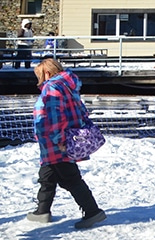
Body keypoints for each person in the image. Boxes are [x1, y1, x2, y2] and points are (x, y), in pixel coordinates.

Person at [28, 59, 106, 229]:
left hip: (55, 141)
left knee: (70, 178)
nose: (40, 80)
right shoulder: (68, 87)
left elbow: (54, 117)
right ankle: (42, 211)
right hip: (58, 140)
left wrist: (59, 140)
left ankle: (92, 212)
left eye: (39, 75)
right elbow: (81, 111)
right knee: (47, 176)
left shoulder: (52, 87)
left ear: (46, 73)